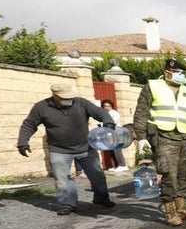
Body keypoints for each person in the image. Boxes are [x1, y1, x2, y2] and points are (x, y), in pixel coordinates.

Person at [16, 83, 117, 216]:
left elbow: (100, 112)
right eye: (64, 97)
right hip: (59, 149)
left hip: (85, 147)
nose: (68, 99)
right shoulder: (41, 107)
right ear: (54, 95)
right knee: (62, 178)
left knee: (97, 174)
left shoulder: (81, 103)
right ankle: (67, 204)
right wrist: (23, 142)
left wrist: (108, 122)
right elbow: (29, 124)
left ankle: (101, 198)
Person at [132, 58, 186, 226]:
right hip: (164, 137)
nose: (180, 76)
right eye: (177, 73)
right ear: (167, 72)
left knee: (185, 175)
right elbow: (141, 113)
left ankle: (182, 209)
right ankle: (170, 213)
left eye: (182, 73)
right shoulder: (152, 87)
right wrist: (142, 137)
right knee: (168, 175)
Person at [99, 99, 129, 173]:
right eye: (105, 106)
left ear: (111, 106)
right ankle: (116, 165)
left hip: (116, 133)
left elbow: (111, 123)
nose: (106, 108)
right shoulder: (103, 114)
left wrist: (101, 125)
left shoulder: (114, 113)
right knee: (111, 150)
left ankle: (123, 165)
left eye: (108, 106)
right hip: (109, 134)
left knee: (117, 149)